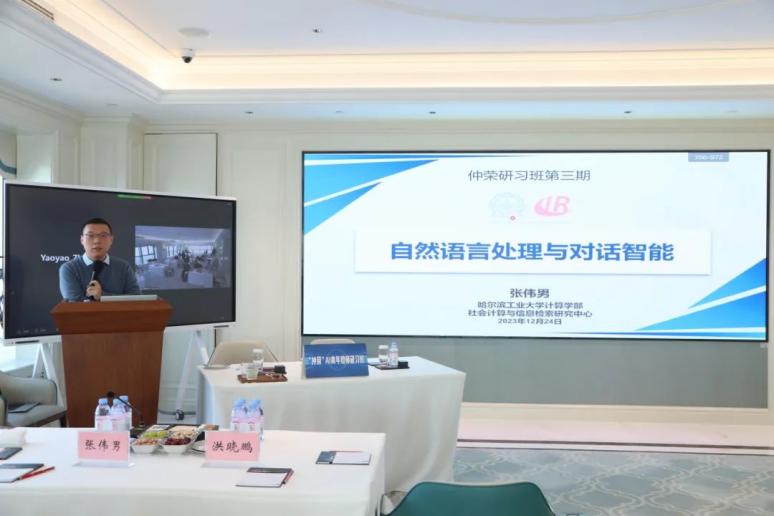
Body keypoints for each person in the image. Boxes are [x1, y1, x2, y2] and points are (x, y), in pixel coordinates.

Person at [59, 218, 141, 301]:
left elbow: (136, 299)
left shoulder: (123, 267)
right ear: (82, 240)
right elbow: (74, 303)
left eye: (103, 236)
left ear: (111, 240)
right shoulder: (69, 269)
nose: (97, 241)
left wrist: (102, 296)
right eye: (90, 235)